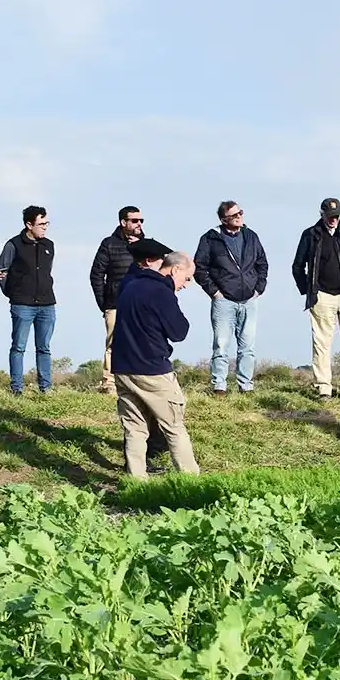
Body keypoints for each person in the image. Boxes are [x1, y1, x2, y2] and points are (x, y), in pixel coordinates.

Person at [110, 240, 200, 478]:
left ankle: (136, 483)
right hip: (152, 370)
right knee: (174, 428)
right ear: (175, 269)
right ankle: (192, 482)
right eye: (187, 278)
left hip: (122, 367)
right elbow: (179, 332)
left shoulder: (129, 285)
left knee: (135, 429)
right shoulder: (161, 292)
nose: (186, 284)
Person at [292, 197, 340, 399]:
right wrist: (308, 289)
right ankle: (324, 387)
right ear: (322, 214)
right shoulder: (310, 235)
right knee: (321, 343)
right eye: (329, 216)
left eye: (336, 216)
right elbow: (297, 267)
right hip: (322, 296)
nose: (333, 219)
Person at [194, 201, 269, 395]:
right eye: (234, 215)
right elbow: (199, 268)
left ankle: (246, 386)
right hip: (223, 301)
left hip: (249, 300)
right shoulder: (210, 239)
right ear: (223, 219)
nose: (239, 217)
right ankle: (219, 385)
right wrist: (214, 293)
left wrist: (258, 289)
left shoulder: (251, 236)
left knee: (248, 346)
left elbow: (262, 263)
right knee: (221, 345)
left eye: (240, 213)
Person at [0, 205, 56, 395]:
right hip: (22, 304)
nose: (45, 227)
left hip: (47, 304)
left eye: (47, 223)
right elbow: (2, 272)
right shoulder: (13, 245)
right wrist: (13, 293)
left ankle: (45, 388)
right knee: (19, 347)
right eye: (41, 224)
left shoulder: (49, 245)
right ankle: (17, 388)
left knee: (44, 348)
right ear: (29, 224)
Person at [89, 206, 145, 393]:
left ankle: (137, 382)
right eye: (135, 220)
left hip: (140, 304)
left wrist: (139, 246)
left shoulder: (147, 245)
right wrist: (103, 303)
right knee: (113, 344)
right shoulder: (109, 244)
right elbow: (96, 275)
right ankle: (109, 383)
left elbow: (155, 269)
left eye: (141, 220)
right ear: (123, 222)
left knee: (140, 342)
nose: (139, 224)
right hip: (115, 303)